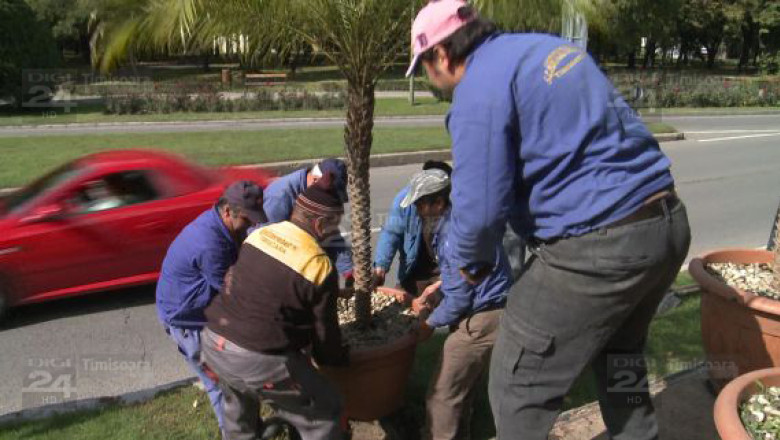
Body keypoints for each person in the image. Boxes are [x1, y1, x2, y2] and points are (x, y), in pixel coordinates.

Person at [407, 2, 692, 439]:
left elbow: (478, 212)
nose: (432, 81)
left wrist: (465, 277)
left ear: (441, 55)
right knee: (621, 355)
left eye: (425, 68)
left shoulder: (478, 90)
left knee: (516, 381)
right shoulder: (546, 48)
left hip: (598, 248)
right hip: (664, 225)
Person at [201, 178, 349, 440]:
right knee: (325, 412)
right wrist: (337, 360)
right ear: (319, 224)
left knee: (239, 417)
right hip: (257, 360)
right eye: (334, 225)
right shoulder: (317, 265)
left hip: (213, 345)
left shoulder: (260, 234)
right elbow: (324, 334)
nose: (334, 232)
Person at [402, 171, 512, 440]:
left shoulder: (454, 238)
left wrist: (428, 324)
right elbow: (463, 279)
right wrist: (436, 288)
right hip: (493, 310)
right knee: (463, 389)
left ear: (439, 203)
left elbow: (461, 298)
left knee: (442, 396)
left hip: (481, 319)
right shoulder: (458, 223)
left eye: (421, 204)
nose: (417, 210)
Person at [156, 180, 266, 435]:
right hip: (188, 324)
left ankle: (252, 428)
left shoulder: (224, 228)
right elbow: (235, 296)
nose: (252, 226)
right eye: (247, 220)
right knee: (221, 386)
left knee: (238, 376)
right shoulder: (211, 244)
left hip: (203, 313)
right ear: (227, 211)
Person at [262, 158, 353, 279]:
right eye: (330, 193)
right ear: (315, 180)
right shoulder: (279, 197)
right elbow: (271, 242)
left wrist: (348, 270)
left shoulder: (316, 192)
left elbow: (330, 232)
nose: (330, 199)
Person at [373, 161, 453, 295]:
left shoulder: (454, 212)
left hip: (444, 275)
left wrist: (441, 283)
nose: (417, 207)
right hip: (413, 271)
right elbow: (391, 232)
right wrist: (381, 267)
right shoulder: (405, 200)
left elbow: (459, 272)